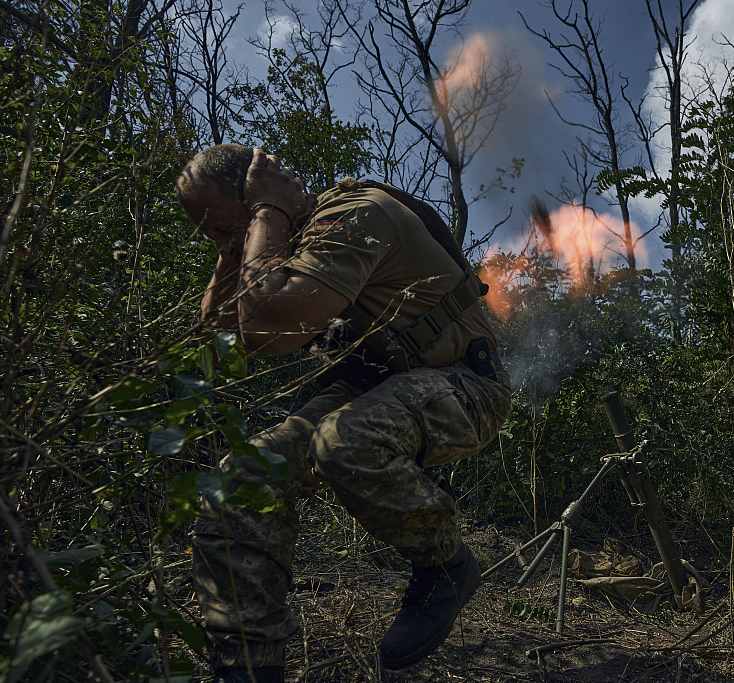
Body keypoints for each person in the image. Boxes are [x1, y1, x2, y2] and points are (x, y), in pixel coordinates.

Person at [175, 144, 511, 682]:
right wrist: (235, 245)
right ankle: (247, 666)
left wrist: (267, 215)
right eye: (210, 233)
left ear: (258, 197)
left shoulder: (353, 217)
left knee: (344, 440)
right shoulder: (285, 238)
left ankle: (444, 566)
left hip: (467, 388)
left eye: (226, 225)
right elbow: (221, 331)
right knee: (243, 480)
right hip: (372, 388)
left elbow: (270, 324)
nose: (225, 241)